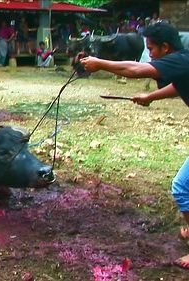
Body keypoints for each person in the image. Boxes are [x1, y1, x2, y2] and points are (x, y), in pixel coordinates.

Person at [80, 22, 189, 269]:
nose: (149, 53)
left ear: (165, 47)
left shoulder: (179, 60)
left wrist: (100, 64)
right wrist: (150, 97)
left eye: (151, 49)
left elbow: (135, 70)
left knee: (182, 187)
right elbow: (178, 86)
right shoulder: (182, 62)